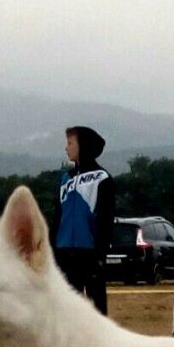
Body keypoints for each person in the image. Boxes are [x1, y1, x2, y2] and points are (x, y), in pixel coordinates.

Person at [52, 126, 115, 314]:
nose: (66, 148)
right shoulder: (66, 178)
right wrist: (52, 250)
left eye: (70, 143)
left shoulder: (102, 179)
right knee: (68, 312)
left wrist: (100, 256)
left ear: (83, 146)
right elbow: (57, 218)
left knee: (97, 311)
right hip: (64, 253)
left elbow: (106, 221)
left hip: (89, 254)